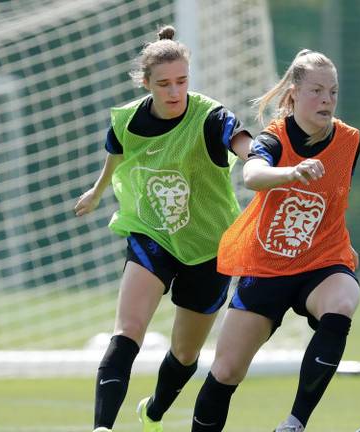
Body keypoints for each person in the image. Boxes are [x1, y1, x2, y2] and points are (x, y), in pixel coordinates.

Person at [74, 25, 251, 432]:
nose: (175, 93)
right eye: (165, 84)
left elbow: (243, 144)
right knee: (128, 330)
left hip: (210, 247)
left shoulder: (210, 115)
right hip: (151, 234)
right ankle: (102, 427)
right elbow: (116, 156)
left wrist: (261, 165)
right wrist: (97, 192)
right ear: (146, 83)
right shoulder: (128, 121)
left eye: (182, 82)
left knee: (185, 354)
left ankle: (152, 412)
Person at [191, 49, 360, 432]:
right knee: (226, 370)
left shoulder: (350, 140)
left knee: (343, 301)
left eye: (332, 92)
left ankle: (294, 424)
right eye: (316, 90)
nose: (327, 100)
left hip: (321, 261)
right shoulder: (274, 137)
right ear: (293, 95)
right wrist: (292, 172)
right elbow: (252, 175)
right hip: (267, 265)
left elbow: (333, 200)